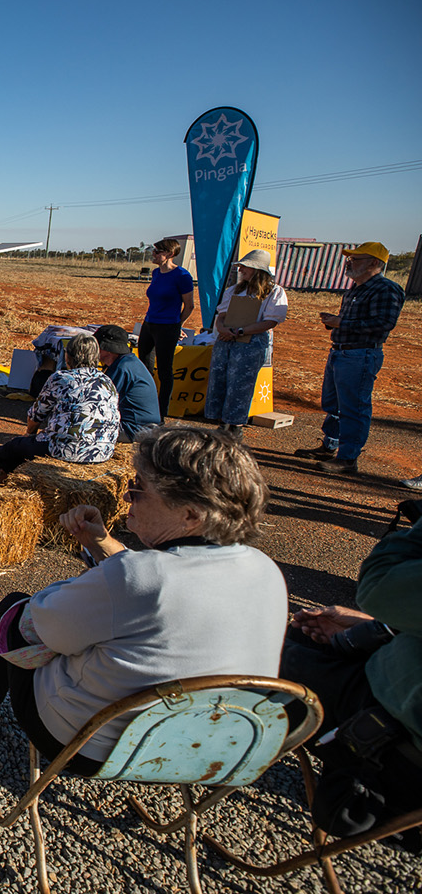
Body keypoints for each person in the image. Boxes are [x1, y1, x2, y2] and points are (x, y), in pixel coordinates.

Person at [0, 425, 287, 774]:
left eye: (138, 489)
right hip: (212, 745)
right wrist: (102, 545)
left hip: (96, 744)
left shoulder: (137, 576)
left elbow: (39, 627)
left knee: (14, 608)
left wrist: (83, 584)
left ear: (191, 513)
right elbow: (158, 588)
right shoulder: (266, 570)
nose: (127, 498)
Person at [280, 519, 422, 841]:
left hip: (394, 743)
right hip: (398, 688)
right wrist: (376, 628)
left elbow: (378, 582)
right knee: (301, 637)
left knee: (258, 651)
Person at [294, 242, 406, 476]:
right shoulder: (356, 288)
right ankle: (330, 445)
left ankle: (347, 458)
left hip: (360, 354)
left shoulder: (386, 289)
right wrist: (335, 322)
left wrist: (341, 323)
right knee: (333, 404)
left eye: (356, 259)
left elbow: (384, 324)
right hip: (342, 351)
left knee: (353, 407)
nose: (349, 262)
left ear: (374, 263)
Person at [0, 333, 118, 475]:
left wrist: (29, 435)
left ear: (68, 356)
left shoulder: (61, 378)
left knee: (16, 446)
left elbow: (36, 416)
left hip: (66, 450)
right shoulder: (107, 381)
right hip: (103, 452)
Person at [205, 249, 288, 436]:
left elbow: (270, 321)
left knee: (240, 383)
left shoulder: (274, 292)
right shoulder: (235, 289)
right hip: (226, 340)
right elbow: (222, 314)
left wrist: (240, 332)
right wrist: (223, 328)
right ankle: (221, 423)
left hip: (250, 342)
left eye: (245, 267)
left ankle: (234, 426)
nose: (240, 269)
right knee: (219, 379)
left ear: (257, 270)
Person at [136, 238, 195, 415]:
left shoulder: (182, 276)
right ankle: (144, 407)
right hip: (149, 324)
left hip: (167, 327)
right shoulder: (156, 273)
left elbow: (189, 305)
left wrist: (178, 325)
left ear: (169, 254)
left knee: (164, 370)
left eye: (157, 251)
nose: (153, 254)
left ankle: (161, 412)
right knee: (145, 366)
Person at [94, 324, 161, 442]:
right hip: (141, 427)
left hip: (133, 429)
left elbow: (99, 400)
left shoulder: (121, 368)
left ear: (107, 349)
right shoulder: (128, 362)